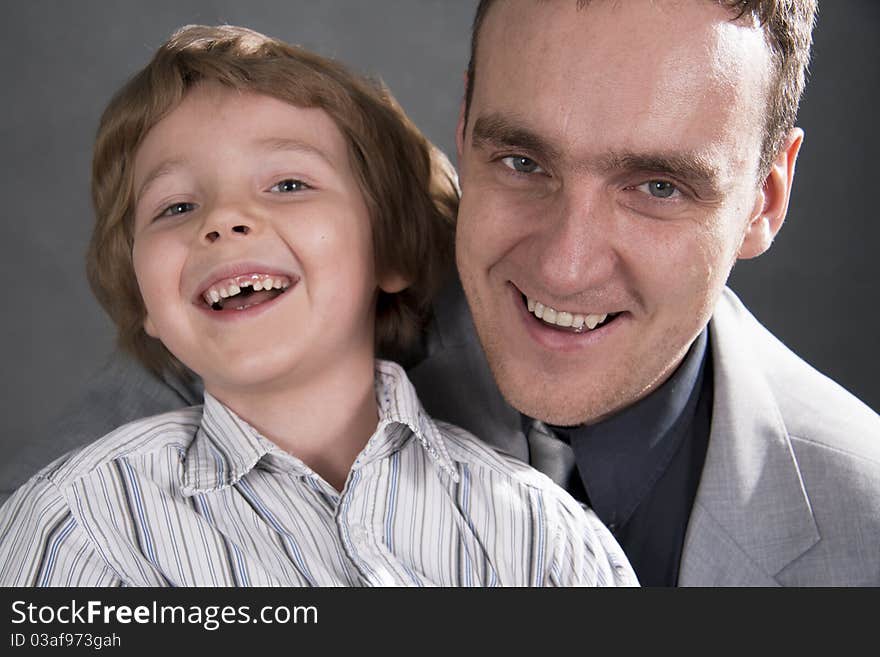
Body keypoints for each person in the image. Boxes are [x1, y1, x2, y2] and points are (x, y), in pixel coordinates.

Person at [4, 0, 879, 587]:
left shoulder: (860, 524)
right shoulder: (260, 347)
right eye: (521, 161)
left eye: (658, 187)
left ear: (765, 198)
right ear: (464, 127)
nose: (565, 267)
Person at [0, 25, 636, 587]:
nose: (223, 221)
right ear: (146, 298)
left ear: (390, 248)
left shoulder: (547, 542)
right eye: (176, 207)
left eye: (288, 184)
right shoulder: (79, 530)